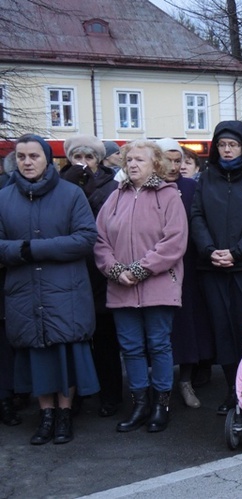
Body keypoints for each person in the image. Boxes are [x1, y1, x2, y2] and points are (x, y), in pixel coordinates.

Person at [0, 134, 99, 445]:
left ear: (47, 159)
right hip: (25, 291)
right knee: (37, 353)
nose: (27, 162)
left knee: (63, 351)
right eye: (21, 157)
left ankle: (65, 414)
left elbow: (85, 238)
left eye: (34, 156)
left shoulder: (71, 194)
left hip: (64, 289)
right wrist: (21, 251)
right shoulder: (3, 197)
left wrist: (34, 249)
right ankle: (45, 415)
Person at [94, 140, 188, 433]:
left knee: (159, 345)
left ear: (155, 164)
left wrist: (138, 270)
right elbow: (100, 241)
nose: (133, 164)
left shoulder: (169, 197)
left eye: (140, 160)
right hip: (121, 287)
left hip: (158, 286)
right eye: (129, 159)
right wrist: (115, 270)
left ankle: (162, 406)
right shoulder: (115, 197)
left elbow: (174, 242)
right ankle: (139, 405)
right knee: (131, 349)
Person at [191, 121, 242, 414]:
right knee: (222, 332)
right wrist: (209, 250)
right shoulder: (207, 177)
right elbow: (197, 216)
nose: (227, 150)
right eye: (222, 145)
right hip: (212, 267)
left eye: (233, 144)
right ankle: (232, 389)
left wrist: (237, 253)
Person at [60, 135, 122, 418]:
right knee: (74, 339)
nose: (83, 163)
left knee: (106, 339)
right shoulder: (60, 185)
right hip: (70, 272)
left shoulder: (112, 187)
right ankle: (76, 396)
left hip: (102, 271)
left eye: (89, 158)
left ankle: (111, 396)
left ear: (99, 160)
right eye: (77, 157)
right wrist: (72, 186)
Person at [156, 138, 215, 410]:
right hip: (154, 268)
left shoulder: (191, 187)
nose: (174, 165)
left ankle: (186, 379)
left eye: (178, 160)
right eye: (167, 159)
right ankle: (159, 386)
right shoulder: (145, 189)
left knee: (188, 324)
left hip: (189, 265)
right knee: (161, 329)